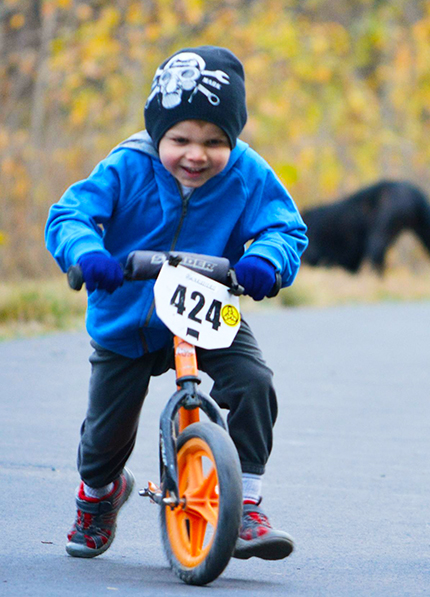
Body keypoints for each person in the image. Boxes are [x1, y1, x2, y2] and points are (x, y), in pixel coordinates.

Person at [45, 46, 307, 562]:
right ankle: (99, 494)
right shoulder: (127, 165)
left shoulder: (248, 173)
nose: (197, 154)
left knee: (255, 383)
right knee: (106, 435)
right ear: (156, 134)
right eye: (180, 139)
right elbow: (70, 214)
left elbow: (285, 227)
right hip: (129, 316)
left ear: (232, 139)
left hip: (206, 309)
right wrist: (88, 252)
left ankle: (247, 501)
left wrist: (266, 262)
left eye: (215, 141)